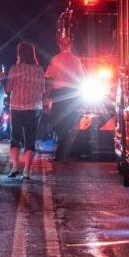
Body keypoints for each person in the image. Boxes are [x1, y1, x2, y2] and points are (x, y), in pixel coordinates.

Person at [5, 42, 46, 180]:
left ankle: (15, 167)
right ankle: (27, 172)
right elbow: (43, 90)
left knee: (15, 138)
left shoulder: (14, 69)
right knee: (30, 140)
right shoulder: (39, 70)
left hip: (17, 108)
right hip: (34, 108)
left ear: (19, 54)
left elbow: (8, 89)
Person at [43, 34, 85, 162]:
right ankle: (68, 151)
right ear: (70, 46)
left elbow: (50, 78)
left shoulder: (55, 59)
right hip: (73, 94)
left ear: (60, 45)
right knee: (71, 123)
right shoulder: (76, 60)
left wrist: (46, 96)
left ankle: (61, 152)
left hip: (60, 95)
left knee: (59, 123)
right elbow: (81, 79)